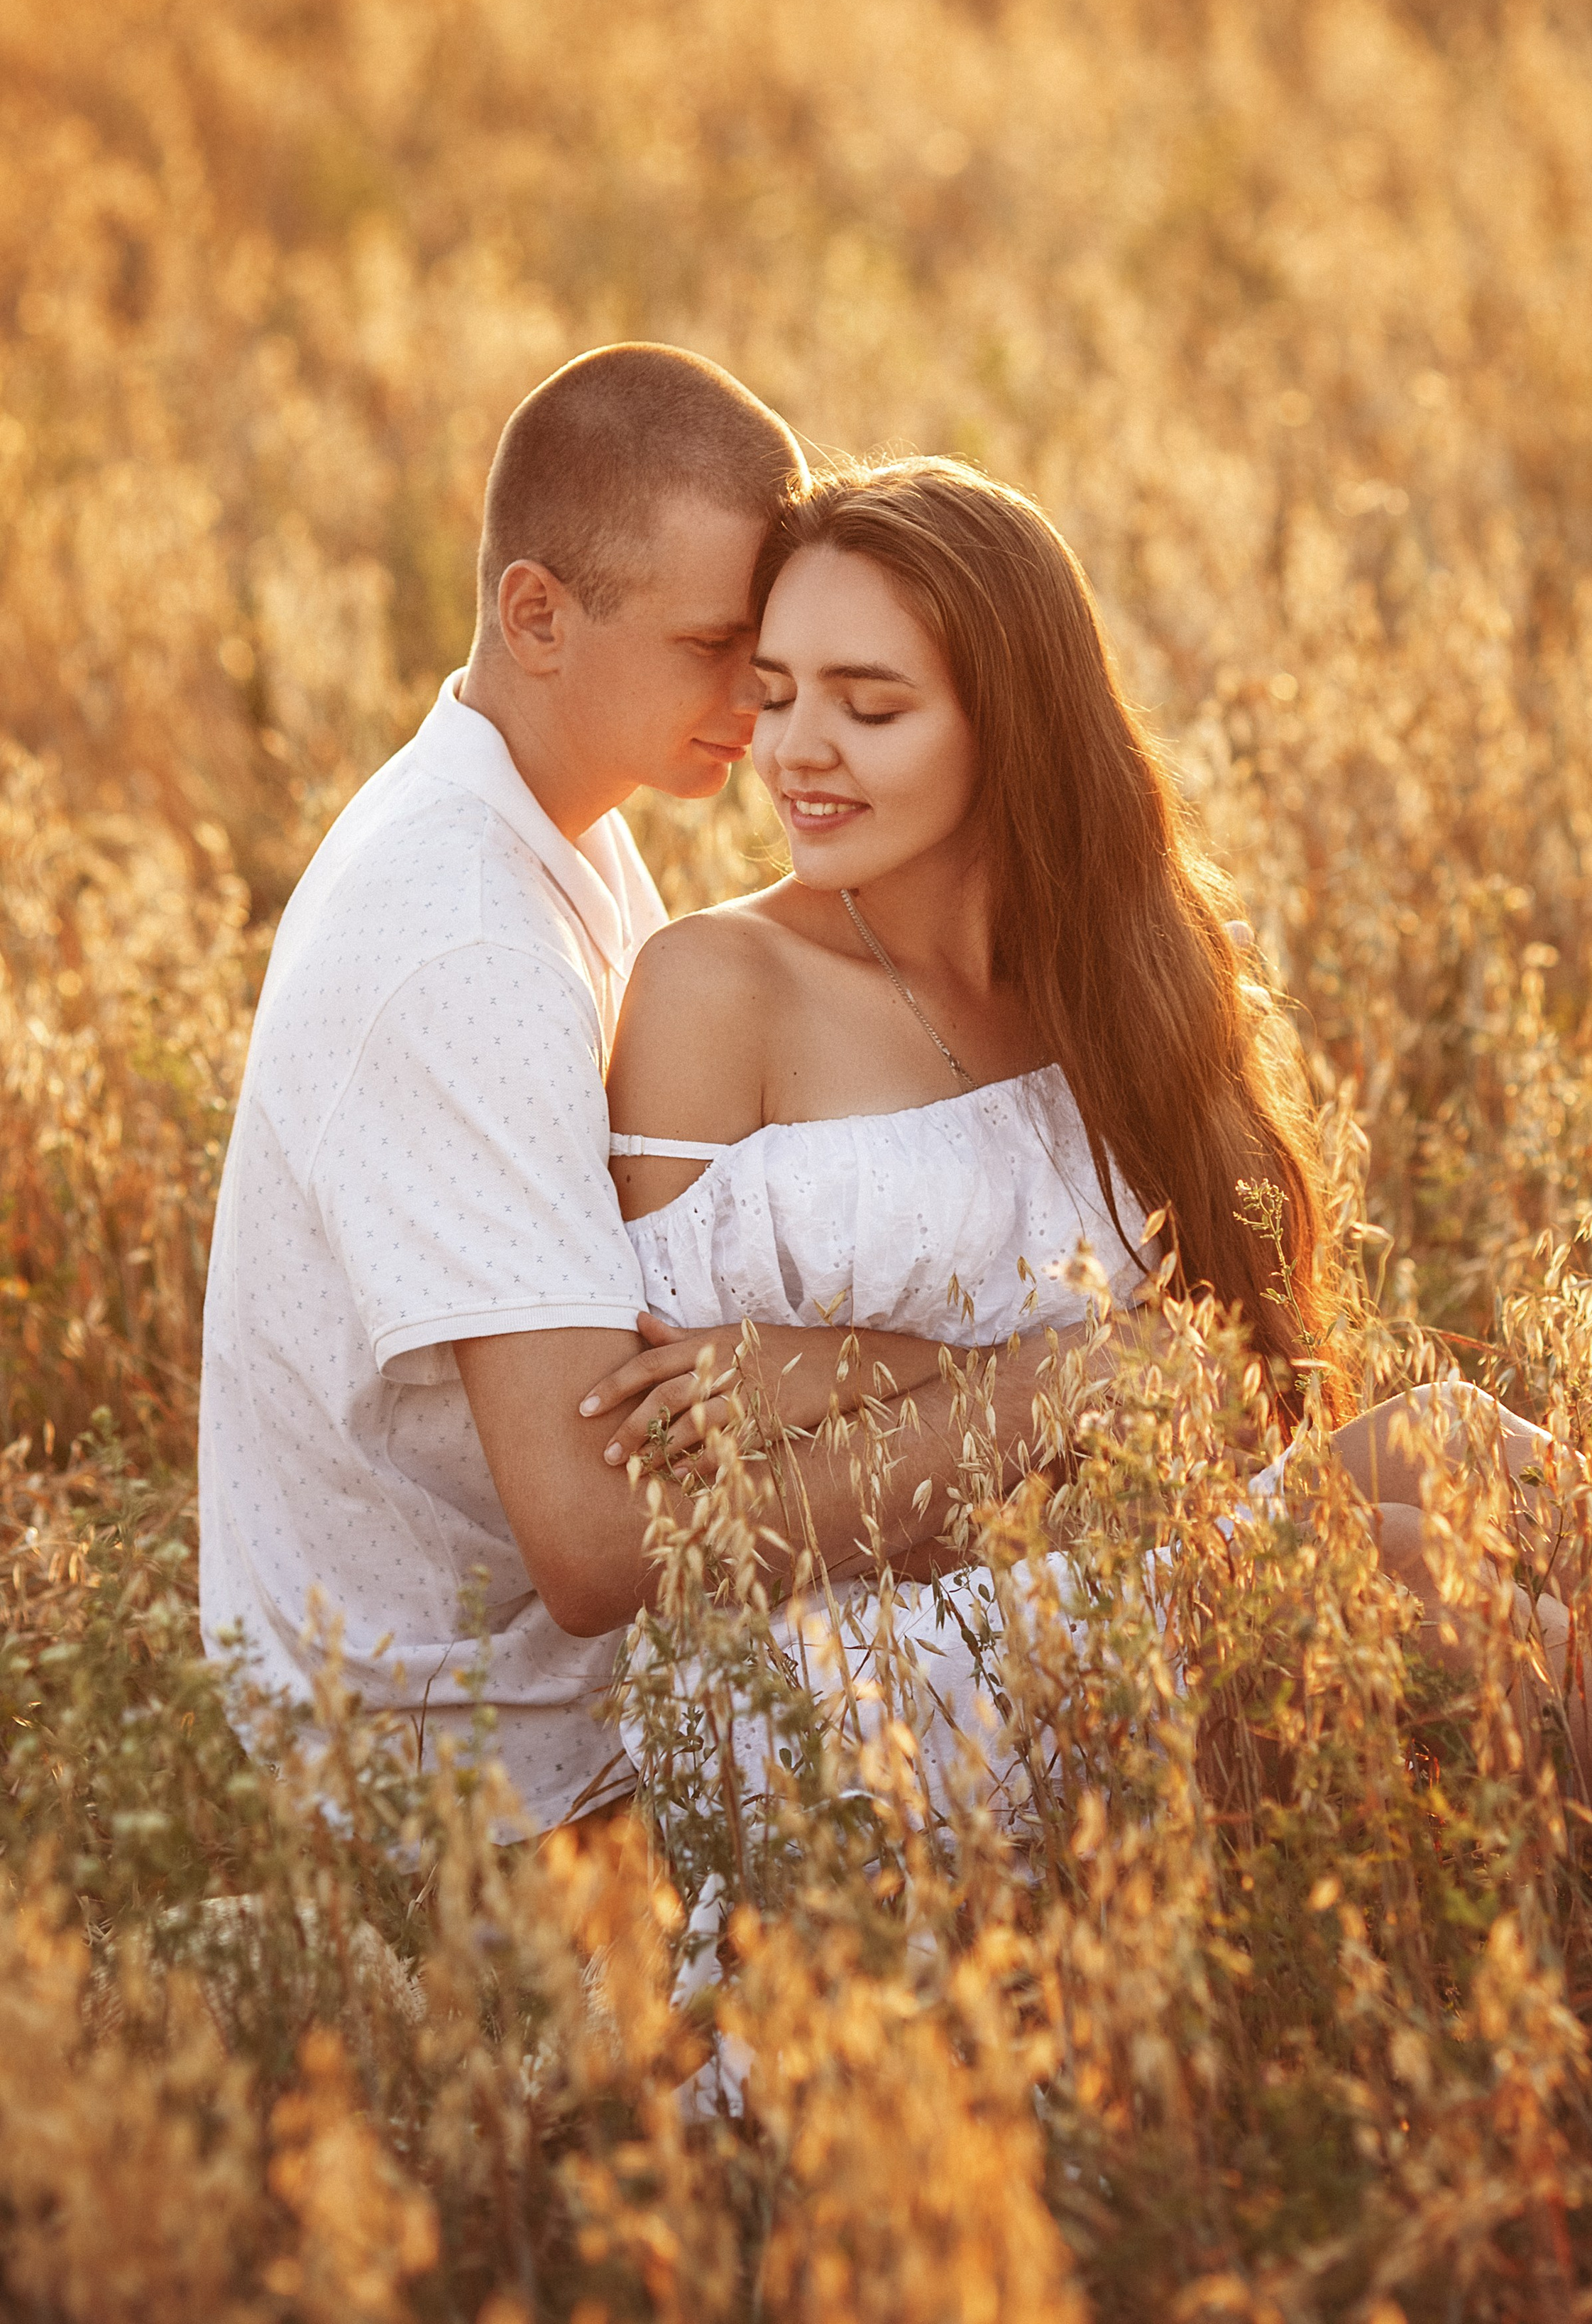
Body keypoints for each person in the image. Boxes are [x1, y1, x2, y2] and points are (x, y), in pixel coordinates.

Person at [591, 457, 1592, 1831]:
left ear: (1014, 728)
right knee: (1362, 1550)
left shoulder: (1112, 975)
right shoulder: (716, 987)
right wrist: (1077, 1384)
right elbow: (678, 1510)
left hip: (1093, 1571)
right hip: (823, 1692)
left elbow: (1220, 1390)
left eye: (868, 706)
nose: (796, 750)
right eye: (776, 693)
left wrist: (898, 1376)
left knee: (1446, 1442)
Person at [199, 349, 1068, 1832]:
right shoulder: (463, 939)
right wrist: (1043, 1393)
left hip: (601, 1704)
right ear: (536, 615)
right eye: (715, 647)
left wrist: (841, 1361)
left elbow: (701, 1341)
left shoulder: (560, 824)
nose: (762, 702)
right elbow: (602, 1549)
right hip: (493, 1794)